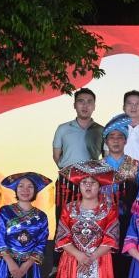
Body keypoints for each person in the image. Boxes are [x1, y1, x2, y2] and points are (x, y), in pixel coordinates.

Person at [52, 88, 103, 226]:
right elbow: (56, 156)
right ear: (74, 105)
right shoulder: (63, 128)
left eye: (89, 102)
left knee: (89, 221)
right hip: (66, 181)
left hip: (91, 182)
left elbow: (106, 158)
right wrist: (69, 172)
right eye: (81, 101)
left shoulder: (101, 130)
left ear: (94, 106)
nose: (85, 105)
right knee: (63, 219)